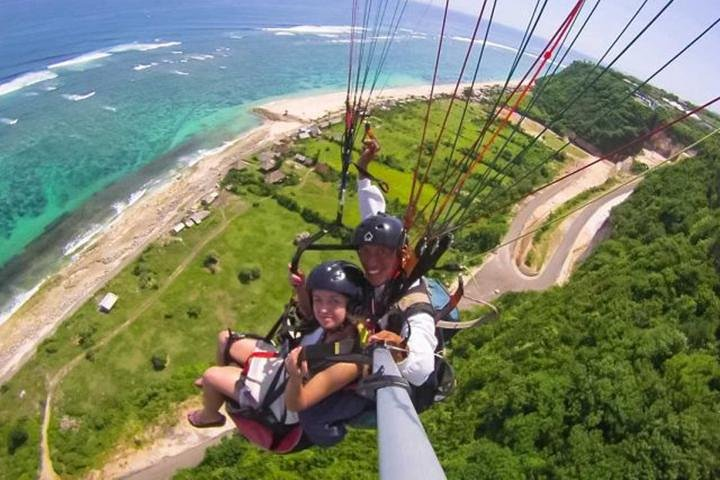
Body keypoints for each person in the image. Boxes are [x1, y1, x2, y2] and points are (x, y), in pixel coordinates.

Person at [188, 261, 370, 447]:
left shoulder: (347, 362)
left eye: (334, 301)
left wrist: (295, 376)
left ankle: (209, 415)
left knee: (211, 376)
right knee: (224, 339)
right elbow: (310, 315)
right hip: (282, 367)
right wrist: (300, 287)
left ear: (353, 307)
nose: (323, 309)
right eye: (318, 299)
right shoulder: (331, 327)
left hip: (282, 399)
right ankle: (220, 386)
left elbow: (296, 404)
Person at [353, 138, 438, 390]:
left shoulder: (414, 302)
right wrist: (363, 167)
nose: (372, 261)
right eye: (365, 252)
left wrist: (399, 347)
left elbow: (422, 367)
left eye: (381, 253)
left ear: (400, 255)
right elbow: (371, 212)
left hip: (401, 384)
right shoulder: (389, 260)